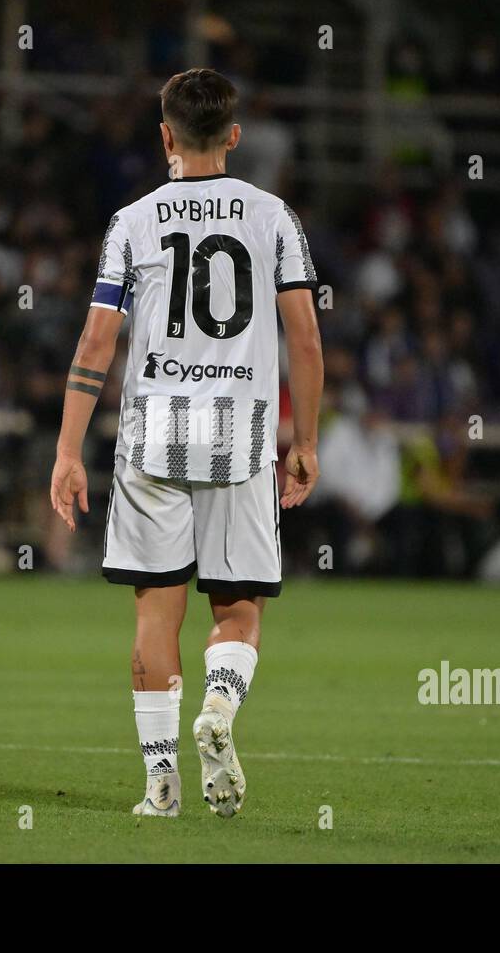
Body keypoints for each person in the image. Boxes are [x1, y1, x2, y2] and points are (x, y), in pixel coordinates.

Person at [49, 69, 323, 819]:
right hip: (239, 436)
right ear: (234, 137)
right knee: (238, 610)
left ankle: (160, 786)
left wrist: (69, 450)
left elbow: (96, 342)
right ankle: (220, 710)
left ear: (164, 136)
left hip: (154, 437)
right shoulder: (272, 217)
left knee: (154, 613)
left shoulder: (132, 220)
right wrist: (304, 440)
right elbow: (305, 337)